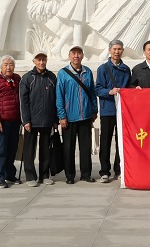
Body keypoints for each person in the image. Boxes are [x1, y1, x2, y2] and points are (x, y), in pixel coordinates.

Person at [56, 46, 98, 184]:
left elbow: (92, 92)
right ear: (69, 56)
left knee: (85, 147)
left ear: (82, 56)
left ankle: (86, 174)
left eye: (79, 53)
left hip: (85, 115)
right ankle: (70, 175)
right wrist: (62, 116)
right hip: (69, 117)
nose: (76, 56)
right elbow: (59, 96)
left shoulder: (87, 72)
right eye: (73, 53)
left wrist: (94, 110)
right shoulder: (63, 73)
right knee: (68, 148)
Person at [19, 52, 58, 186]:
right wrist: (25, 120)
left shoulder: (51, 77)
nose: (41, 62)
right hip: (31, 120)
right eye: (39, 60)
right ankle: (30, 176)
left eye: (44, 60)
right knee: (29, 149)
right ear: (34, 61)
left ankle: (44, 175)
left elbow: (56, 99)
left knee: (46, 149)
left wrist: (55, 119)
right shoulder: (27, 78)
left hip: (47, 119)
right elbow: (23, 101)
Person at [95, 39, 131, 182]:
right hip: (107, 110)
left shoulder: (126, 69)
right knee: (105, 141)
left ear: (123, 51)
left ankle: (119, 169)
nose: (117, 52)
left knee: (121, 141)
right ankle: (104, 171)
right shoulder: (103, 69)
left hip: (122, 110)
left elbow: (129, 88)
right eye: (114, 49)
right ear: (109, 50)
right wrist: (109, 92)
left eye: (119, 49)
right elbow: (98, 89)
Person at [0, 56, 23, 188]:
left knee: (12, 149)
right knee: (1, 150)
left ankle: (10, 174)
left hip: (15, 121)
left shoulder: (17, 79)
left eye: (11, 64)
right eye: (6, 64)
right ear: (1, 67)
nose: (8, 67)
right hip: (1, 122)